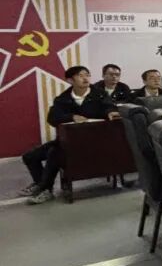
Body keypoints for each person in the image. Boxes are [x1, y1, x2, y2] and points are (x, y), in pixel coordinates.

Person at [18, 66, 120, 204]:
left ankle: (45, 189)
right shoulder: (63, 99)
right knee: (30, 156)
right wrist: (71, 117)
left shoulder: (100, 94)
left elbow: (109, 107)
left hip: (95, 141)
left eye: (87, 75)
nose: (85, 78)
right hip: (68, 141)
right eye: (80, 76)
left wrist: (110, 112)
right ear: (70, 80)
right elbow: (52, 118)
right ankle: (41, 184)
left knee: (54, 153)